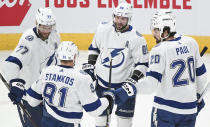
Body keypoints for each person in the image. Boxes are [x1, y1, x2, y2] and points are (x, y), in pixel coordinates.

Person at [110, 11, 207, 127]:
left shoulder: (160, 50)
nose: (153, 34)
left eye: (156, 30)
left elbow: (150, 85)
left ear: (165, 31)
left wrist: (130, 89)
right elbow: (202, 77)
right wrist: (197, 97)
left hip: (165, 111)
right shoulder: (191, 43)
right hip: (189, 111)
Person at [15, 41, 114, 127]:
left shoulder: (46, 71)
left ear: (58, 55)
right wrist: (108, 99)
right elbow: (94, 110)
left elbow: (32, 101)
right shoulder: (82, 78)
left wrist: (19, 91)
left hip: (47, 123)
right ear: (75, 56)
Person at [83, 2, 149, 127]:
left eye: (123, 18)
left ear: (129, 19)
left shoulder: (137, 38)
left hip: (124, 88)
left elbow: (143, 64)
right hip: (102, 84)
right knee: (100, 120)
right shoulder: (103, 29)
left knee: (125, 122)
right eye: (117, 17)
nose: (119, 21)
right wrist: (91, 66)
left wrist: (132, 81)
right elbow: (94, 49)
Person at [3, 7, 60, 127]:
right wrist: (15, 83)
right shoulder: (29, 40)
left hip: (49, 94)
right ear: (36, 23)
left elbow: (56, 59)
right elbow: (10, 63)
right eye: (43, 27)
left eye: (49, 27)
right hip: (30, 96)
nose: (46, 31)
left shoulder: (54, 35)